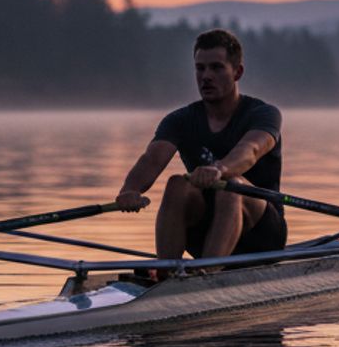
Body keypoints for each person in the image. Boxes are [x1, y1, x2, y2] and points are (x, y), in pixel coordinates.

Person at [115, 29, 286, 265]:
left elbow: (251, 150)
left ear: (237, 72)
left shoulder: (264, 114)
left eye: (216, 67)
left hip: (262, 235)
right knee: (176, 184)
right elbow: (152, 160)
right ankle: (167, 273)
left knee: (231, 185)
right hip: (205, 231)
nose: (206, 76)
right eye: (200, 68)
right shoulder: (180, 120)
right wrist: (129, 190)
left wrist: (220, 169)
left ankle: (207, 275)